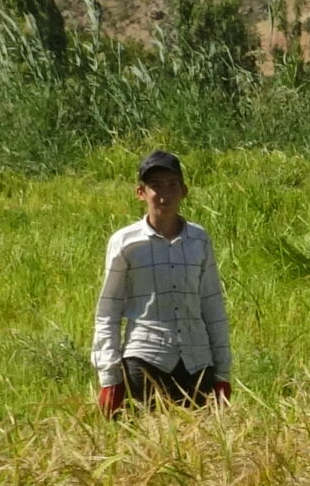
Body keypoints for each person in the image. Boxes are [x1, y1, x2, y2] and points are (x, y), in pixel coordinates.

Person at [92, 150, 232, 415]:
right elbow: (108, 312)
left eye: (172, 184)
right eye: (155, 185)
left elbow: (212, 305)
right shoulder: (125, 242)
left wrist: (223, 373)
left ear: (184, 190)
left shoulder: (199, 240)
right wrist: (109, 378)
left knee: (201, 450)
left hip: (196, 362)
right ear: (141, 193)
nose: (164, 193)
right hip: (145, 361)